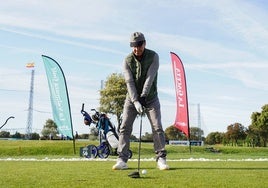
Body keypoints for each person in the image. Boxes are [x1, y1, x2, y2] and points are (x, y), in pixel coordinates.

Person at [112, 32, 169, 170]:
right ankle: (122, 160)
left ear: (144, 43)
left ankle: (161, 158)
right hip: (131, 99)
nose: (136, 49)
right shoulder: (127, 60)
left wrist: (143, 96)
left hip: (151, 98)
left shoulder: (154, 56)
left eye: (139, 46)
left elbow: (150, 78)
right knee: (124, 127)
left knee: (157, 127)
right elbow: (129, 81)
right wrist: (136, 101)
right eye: (133, 47)